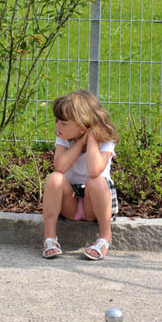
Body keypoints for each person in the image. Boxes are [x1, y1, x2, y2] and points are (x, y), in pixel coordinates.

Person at [41, 90, 119, 260]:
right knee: (55, 178)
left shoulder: (105, 140)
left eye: (63, 123)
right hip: (72, 203)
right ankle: (50, 238)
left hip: (96, 204)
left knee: (96, 180)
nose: (57, 127)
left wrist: (91, 140)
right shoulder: (65, 139)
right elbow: (60, 166)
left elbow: (94, 170)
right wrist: (80, 142)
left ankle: (104, 238)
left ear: (83, 126)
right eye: (57, 122)